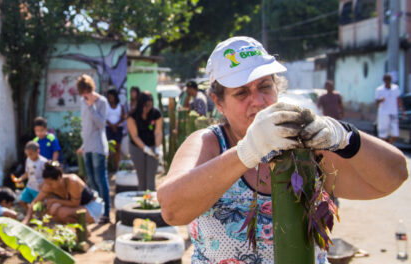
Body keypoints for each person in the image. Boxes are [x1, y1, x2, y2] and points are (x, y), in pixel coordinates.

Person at [157, 36, 407, 263]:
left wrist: (344, 135)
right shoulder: (209, 143)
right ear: (218, 103)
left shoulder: (306, 147)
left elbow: (393, 177)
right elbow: (171, 209)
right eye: (242, 93)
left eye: (265, 86)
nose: (257, 100)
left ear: (277, 88)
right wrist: (247, 152)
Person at [75, 74, 111, 224]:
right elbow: (86, 127)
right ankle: (97, 211)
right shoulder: (83, 102)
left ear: (91, 88)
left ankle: (107, 213)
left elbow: (101, 124)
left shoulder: (101, 101)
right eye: (82, 91)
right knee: (91, 181)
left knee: (101, 180)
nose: (85, 94)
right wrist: (83, 145)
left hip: (98, 147)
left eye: (87, 90)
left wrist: (92, 106)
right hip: (88, 147)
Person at [30, 161, 104, 224]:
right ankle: (73, 232)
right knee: (52, 212)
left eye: (50, 183)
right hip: (78, 208)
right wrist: (27, 219)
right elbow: (35, 202)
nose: (48, 186)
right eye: (46, 183)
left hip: (92, 207)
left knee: (61, 212)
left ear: (58, 179)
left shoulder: (72, 181)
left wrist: (55, 201)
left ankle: (84, 233)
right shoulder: (48, 186)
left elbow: (75, 203)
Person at [127, 92, 163, 191]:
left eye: (150, 106)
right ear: (140, 104)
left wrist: (157, 147)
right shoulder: (132, 116)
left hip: (152, 144)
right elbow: (134, 135)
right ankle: (142, 202)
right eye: (145, 106)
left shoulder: (156, 113)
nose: (148, 108)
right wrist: (145, 148)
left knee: (151, 178)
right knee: (141, 178)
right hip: (137, 147)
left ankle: (151, 202)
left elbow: (158, 132)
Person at [12, 141, 47, 224]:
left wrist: (44, 184)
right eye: (27, 154)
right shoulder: (28, 160)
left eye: (31, 154)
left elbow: (48, 176)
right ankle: (31, 216)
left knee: (40, 206)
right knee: (22, 201)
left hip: (39, 188)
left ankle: (44, 221)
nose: (29, 156)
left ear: (37, 151)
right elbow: (27, 172)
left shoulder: (43, 162)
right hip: (30, 186)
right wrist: (20, 179)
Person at [375, 73, 406, 144]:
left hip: (393, 113)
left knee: (396, 134)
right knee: (383, 135)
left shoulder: (395, 88)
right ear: (384, 80)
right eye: (386, 80)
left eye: (389, 79)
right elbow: (376, 102)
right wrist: (380, 100)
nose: (388, 81)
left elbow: (399, 100)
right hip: (383, 114)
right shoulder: (379, 90)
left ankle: (389, 145)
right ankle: (384, 149)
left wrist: (403, 111)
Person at [106, 89, 127, 171]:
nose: (110, 98)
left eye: (111, 96)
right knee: (108, 148)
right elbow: (104, 117)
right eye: (109, 96)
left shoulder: (120, 107)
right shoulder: (106, 106)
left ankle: (116, 167)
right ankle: (107, 167)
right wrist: (111, 125)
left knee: (117, 148)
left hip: (118, 129)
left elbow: (122, 117)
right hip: (108, 128)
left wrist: (116, 125)